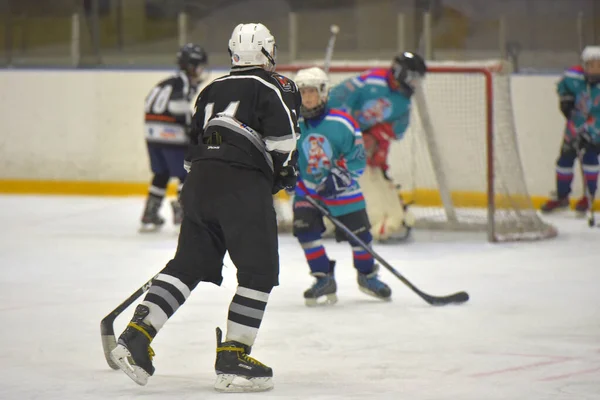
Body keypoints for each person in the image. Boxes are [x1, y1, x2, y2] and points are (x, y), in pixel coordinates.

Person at [111, 23, 301, 393]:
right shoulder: (274, 86)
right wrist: (281, 176)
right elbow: (284, 143)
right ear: (266, 52)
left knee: (188, 265)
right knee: (259, 272)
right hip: (242, 186)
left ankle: (135, 336)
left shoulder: (210, 89)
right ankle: (233, 356)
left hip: (198, 184)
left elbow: (192, 147)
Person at [292, 67, 392, 306]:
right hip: (307, 188)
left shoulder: (343, 122)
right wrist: (286, 171)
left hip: (343, 190)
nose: (307, 98)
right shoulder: (291, 123)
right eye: (303, 92)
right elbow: (284, 153)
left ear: (323, 93)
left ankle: (367, 275)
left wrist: (337, 178)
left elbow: (357, 158)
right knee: (305, 233)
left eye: (312, 92)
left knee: (360, 236)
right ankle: (323, 277)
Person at [327, 52, 426, 241]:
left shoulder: (403, 101)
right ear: (400, 72)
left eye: (417, 79)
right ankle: (338, 218)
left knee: (376, 177)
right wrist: (352, 135)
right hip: (342, 143)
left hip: (367, 149)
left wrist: (374, 136)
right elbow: (335, 101)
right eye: (413, 77)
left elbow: (397, 130)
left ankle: (384, 217)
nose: (415, 83)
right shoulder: (369, 82)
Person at [140, 43, 208, 232]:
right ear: (192, 66)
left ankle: (150, 212)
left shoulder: (166, 82)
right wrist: (191, 128)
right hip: (170, 134)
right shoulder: (184, 82)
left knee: (161, 173)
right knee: (186, 172)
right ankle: (183, 211)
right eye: (200, 66)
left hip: (151, 134)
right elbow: (177, 106)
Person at [541, 46, 600, 214]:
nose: (594, 69)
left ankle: (588, 197)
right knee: (564, 161)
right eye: (590, 65)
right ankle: (562, 196)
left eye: (598, 65)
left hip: (597, 128)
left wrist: (591, 133)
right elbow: (562, 86)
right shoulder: (573, 76)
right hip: (574, 126)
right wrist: (565, 98)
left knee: (589, 158)